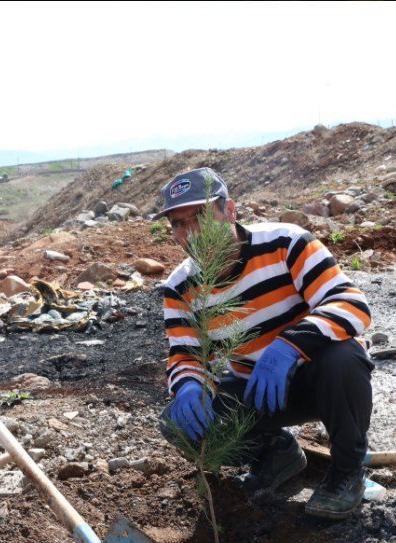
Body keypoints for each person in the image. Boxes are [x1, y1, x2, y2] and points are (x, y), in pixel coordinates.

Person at [157, 167, 375, 519]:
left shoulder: (286, 242)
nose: (190, 233)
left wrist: (288, 347)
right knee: (178, 423)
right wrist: (187, 386)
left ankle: (346, 472)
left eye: (199, 216)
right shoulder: (180, 287)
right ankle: (274, 453)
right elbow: (186, 354)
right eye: (178, 224)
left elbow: (351, 304)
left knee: (344, 356)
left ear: (229, 211)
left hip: (323, 380)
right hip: (259, 389)